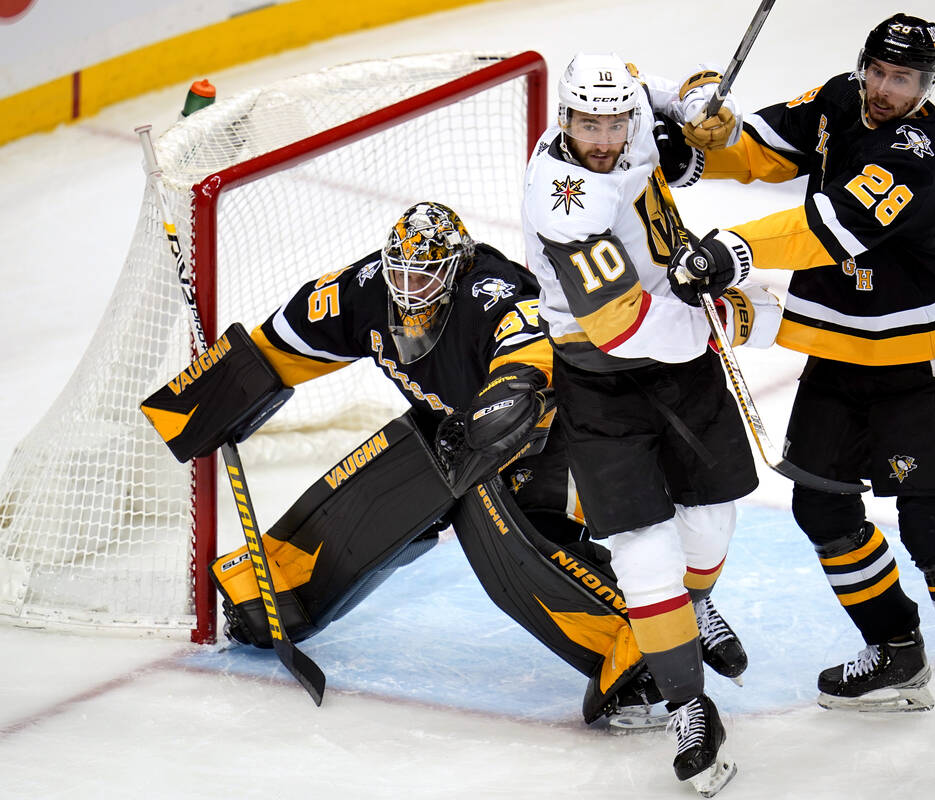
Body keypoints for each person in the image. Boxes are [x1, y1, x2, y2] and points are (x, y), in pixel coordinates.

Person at [672, 13, 935, 776]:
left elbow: (828, 229)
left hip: (919, 361)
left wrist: (732, 252)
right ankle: (897, 652)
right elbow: (766, 150)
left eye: (903, 79)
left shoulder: (912, 151)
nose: (884, 88)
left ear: (927, 86)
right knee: (823, 506)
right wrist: (708, 132)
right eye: (878, 70)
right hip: (842, 352)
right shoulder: (841, 98)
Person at [181, 201, 670, 731]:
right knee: (387, 484)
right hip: (453, 425)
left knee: (512, 542)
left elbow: (531, 351)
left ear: (457, 267)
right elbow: (285, 337)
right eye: (404, 272)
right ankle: (273, 590)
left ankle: (643, 643)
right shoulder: (365, 289)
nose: (412, 287)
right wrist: (225, 385)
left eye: (427, 274)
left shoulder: (493, 289)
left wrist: (503, 404)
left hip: (544, 428)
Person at [521, 52, 782, 796]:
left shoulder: (626, 101)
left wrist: (701, 106)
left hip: (678, 358)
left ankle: (697, 606)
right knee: (643, 553)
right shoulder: (562, 199)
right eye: (587, 124)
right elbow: (620, 323)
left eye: (614, 123)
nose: (602, 138)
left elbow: (671, 89)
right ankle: (689, 707)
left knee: (708, 529)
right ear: (563, 119)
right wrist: (720, 314)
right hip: (604, 374)